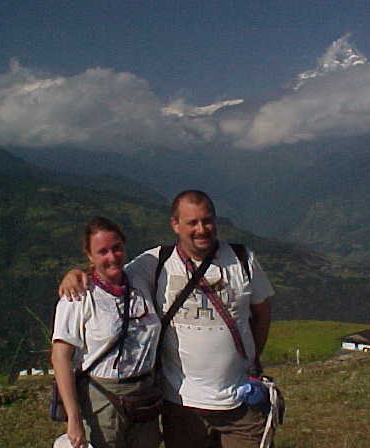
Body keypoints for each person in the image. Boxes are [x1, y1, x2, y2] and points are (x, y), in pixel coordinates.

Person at [59, 191, 275, 448]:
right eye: (192, 223)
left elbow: (262, 313)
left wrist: (252, 360)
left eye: (207, 220)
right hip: (182, 405)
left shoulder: (243, 260)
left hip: (240, 400)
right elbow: (109, 272)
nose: (201, 229)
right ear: (175, 225)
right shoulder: (156, 262)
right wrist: (75, 275)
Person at [51, 216, 162, 448]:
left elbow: (181, 249)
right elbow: (60, 356)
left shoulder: (140, 275)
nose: (112, 257)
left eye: (117, 248)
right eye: (102, 252)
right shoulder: (78, 296)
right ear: (89, 256)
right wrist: (73, 418)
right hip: (103, 398)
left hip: (144, 396)